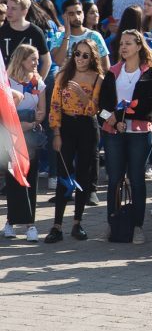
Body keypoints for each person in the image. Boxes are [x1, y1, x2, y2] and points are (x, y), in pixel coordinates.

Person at [99, 30, 152, 244]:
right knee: (114, 179)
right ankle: (111, 223)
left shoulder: (150, 73)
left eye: (128, 43)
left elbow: (148, 105)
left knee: (136, 179)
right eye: (121, 43)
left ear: (139, 46)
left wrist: (125, 117)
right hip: (113, 132)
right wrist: (114, 121)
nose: (123, 47)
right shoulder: (112, 72)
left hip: (139, 133)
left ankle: (137, 227)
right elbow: (102, 107)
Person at [45, 39, 103, 243]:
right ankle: (57, 225)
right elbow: (54, 106)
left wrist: (82, 95)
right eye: (77, 53)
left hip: (87, 126)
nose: (80, 59)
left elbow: (95, 109)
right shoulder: (62, 75)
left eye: (86, 55)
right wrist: (57, 134)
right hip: (67, 127)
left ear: (92, 57)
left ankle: (77, 222)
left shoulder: (97, 78)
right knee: (64, 175)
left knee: (83, 176)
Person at [3, 45, 45, 241]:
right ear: (21, 60)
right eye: (33, 59)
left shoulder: (39, 83)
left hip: (30, 138)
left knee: (31, 181)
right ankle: (10, 222)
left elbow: (42, 112)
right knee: (13, 180)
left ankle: (30, 224)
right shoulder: (7, 83)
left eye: (37, 59)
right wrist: (21, 124)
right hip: (12, 136)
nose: (37, 63)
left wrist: (33, 122)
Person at [50, 0, 109, 72]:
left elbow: (105, 66)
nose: (76, 17)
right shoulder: (58, 37)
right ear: (64, 16)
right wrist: (67, 35)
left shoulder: (94, 36)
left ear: (83, 14)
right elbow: (59, 61)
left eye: (79, 13)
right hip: (65, 81)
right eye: (71, 14)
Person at [0, 0, 51, 77]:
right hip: (6, 82)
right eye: (8, 7)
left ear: (24, 11)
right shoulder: (2, 31)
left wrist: (38, 84)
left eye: (13, 8)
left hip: (28, 81)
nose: (8, 12)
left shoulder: (35, 32)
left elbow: (47, 61)